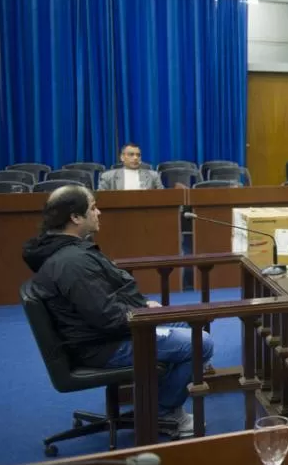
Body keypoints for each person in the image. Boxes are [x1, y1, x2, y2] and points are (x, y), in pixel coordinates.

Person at [22, 185, 212, 436]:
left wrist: (142, 306)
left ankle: (155, 402)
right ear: (75, 218)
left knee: (185, 326)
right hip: (102, 346)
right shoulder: (71, 263)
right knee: (201, 343)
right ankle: (162, 411)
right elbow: (107, 317)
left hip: (100, 334)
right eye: (92, 208)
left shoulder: (68, 250)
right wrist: (143, 315)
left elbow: (106, 299)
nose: (99, 212)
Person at [98, 143, 163, 190]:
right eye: (131, 154)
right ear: (122, 157)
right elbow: (101, 199)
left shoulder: (153, 176)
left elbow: (162, 197)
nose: (135, 158)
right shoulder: (108, 176)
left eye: (138, 155)